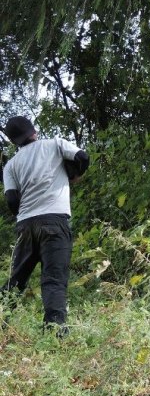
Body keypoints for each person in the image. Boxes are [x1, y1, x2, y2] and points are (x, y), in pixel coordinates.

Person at [1, 116, 89, 332]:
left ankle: (2, 319)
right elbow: (82, 156)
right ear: (34, 131)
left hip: (26, 225)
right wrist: (75, 176)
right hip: (54, 222)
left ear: (14, 142)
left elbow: (12, 199)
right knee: (54, 279)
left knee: (17, 280)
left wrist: (24, 215)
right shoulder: (54, 145)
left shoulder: (11, 165)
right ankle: (55, 329)